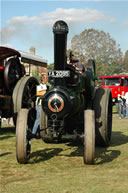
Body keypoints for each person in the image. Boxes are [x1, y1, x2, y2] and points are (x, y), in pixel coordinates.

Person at [31, 72, 48, 138]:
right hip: (39, 105)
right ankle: (33, 133)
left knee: (41, 120)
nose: (47, 79)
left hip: (42, 105)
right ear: (43, 79)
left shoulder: (44, 86)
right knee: (38, 120)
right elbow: (40, 95)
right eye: (46, 78)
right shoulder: (40, 86)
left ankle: (38, 133)